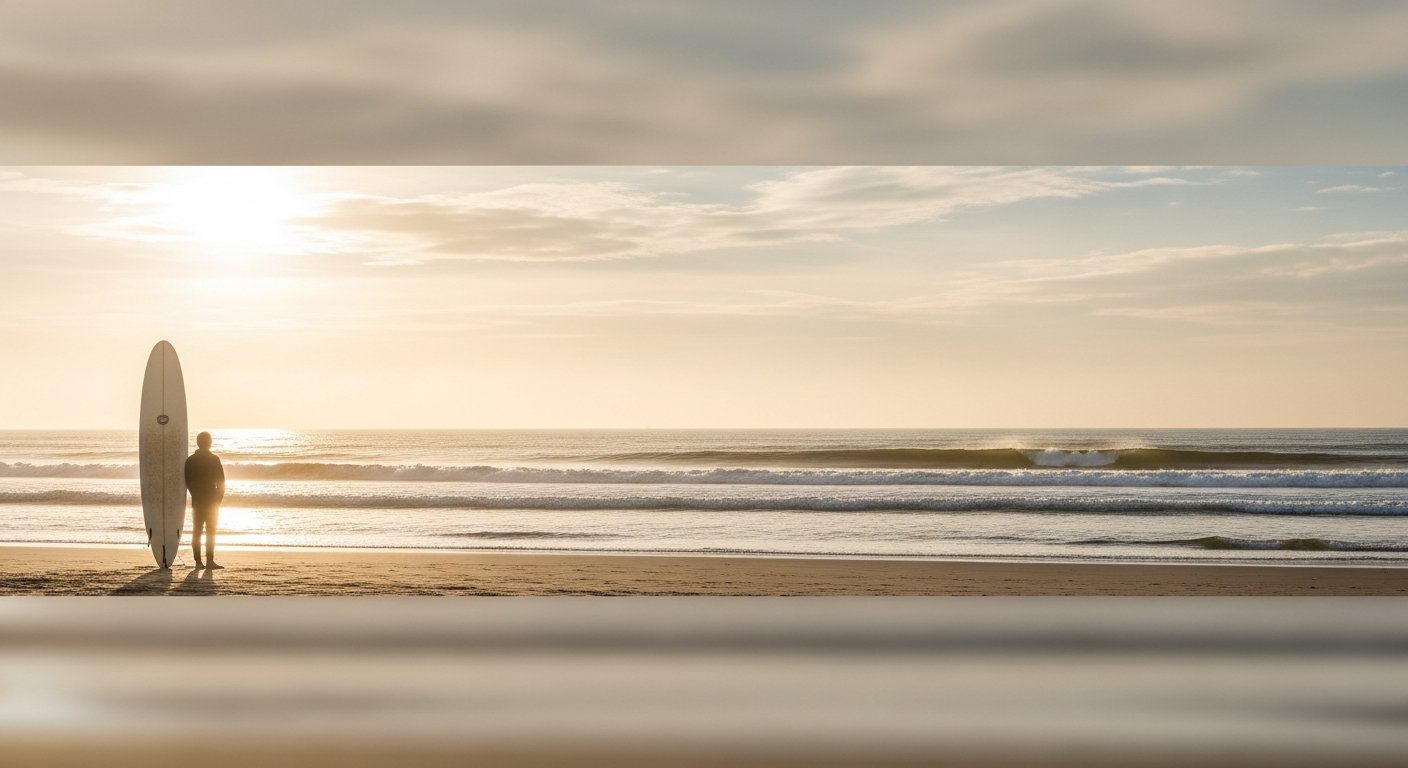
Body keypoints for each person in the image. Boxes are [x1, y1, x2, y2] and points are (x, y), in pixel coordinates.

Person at [185, 431, 226, 569]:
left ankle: (198, 562)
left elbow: (188, 482)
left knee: (197, 531)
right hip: (212, 499)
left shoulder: (190, 460)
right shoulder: (214, 459)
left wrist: (195, 494)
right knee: (210, 531)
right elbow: (221, 482)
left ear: (198, 443)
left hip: (198, 500)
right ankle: (210, 561)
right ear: (209, 443)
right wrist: (218, 499)